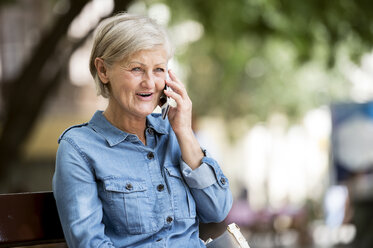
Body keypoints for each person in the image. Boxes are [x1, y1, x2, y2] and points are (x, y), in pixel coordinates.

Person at [52, 12, 232, 248]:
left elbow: (217, 210)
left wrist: (185, 133)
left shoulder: (175, 134)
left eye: (158, 69)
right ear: (104, 70)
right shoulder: (79, 148)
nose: (149, 83)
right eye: (136, 69)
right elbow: (90, 244)